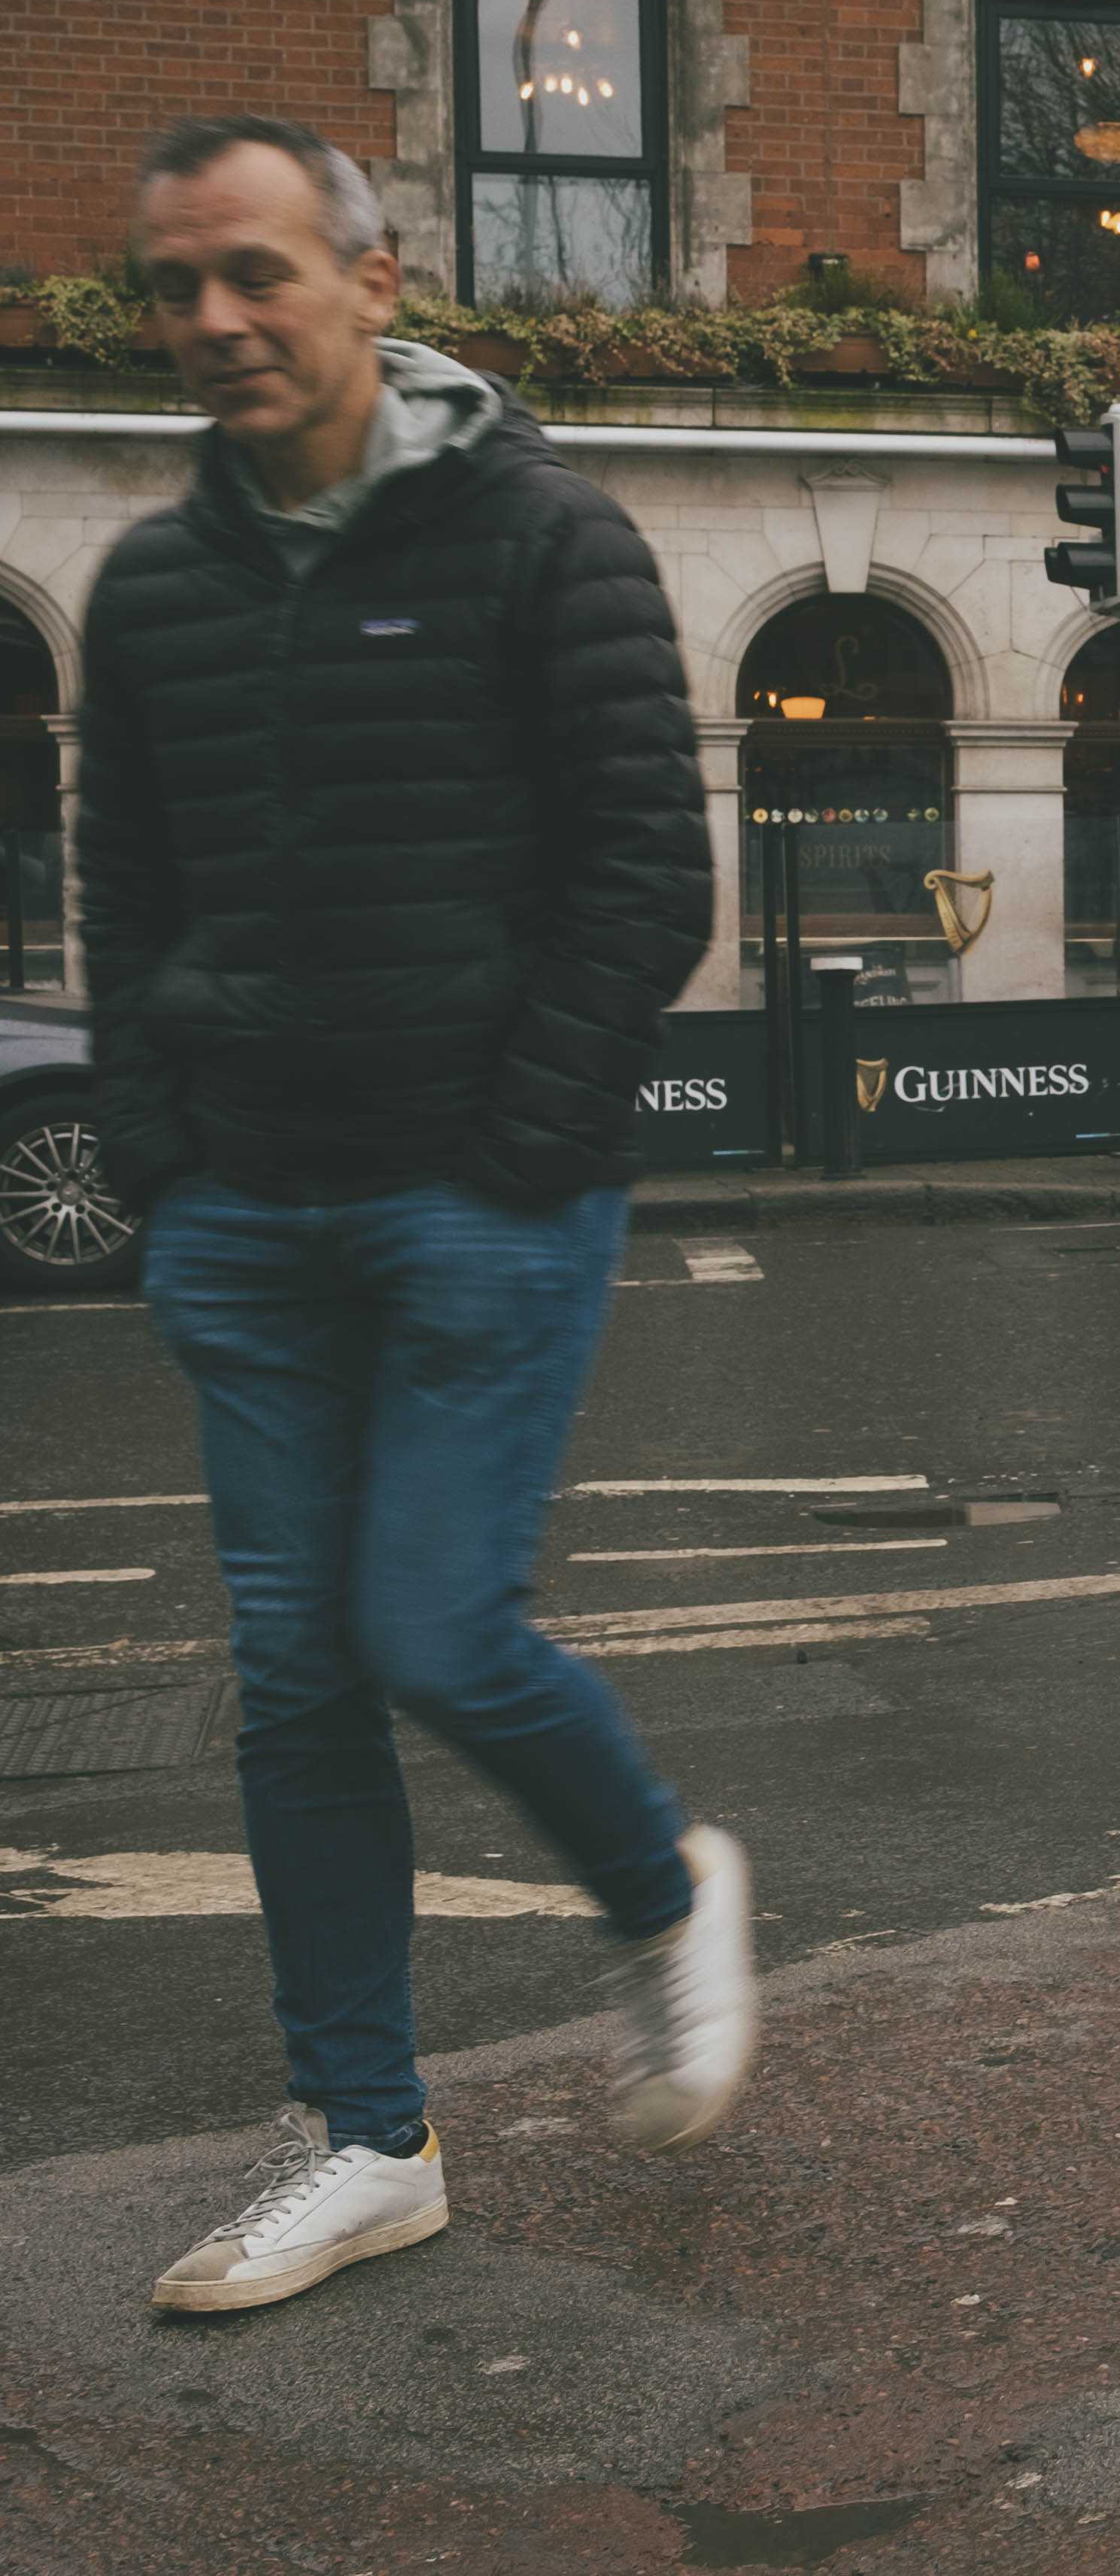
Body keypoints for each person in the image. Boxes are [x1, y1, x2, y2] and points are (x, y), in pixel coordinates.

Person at [76, 118, 754, 2312]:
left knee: (433, 1629)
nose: (212, 323)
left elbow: (648, 873)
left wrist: (519, 1143)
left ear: (376, 282)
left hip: (474, 1196)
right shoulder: (154, 584)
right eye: (174, 287)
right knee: (291, 1684)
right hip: (246, 1219)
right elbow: (124, 900)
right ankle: (366, 2136)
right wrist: (166, 1178)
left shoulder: (543, 539)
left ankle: (661, 1898)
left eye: (254, 275)